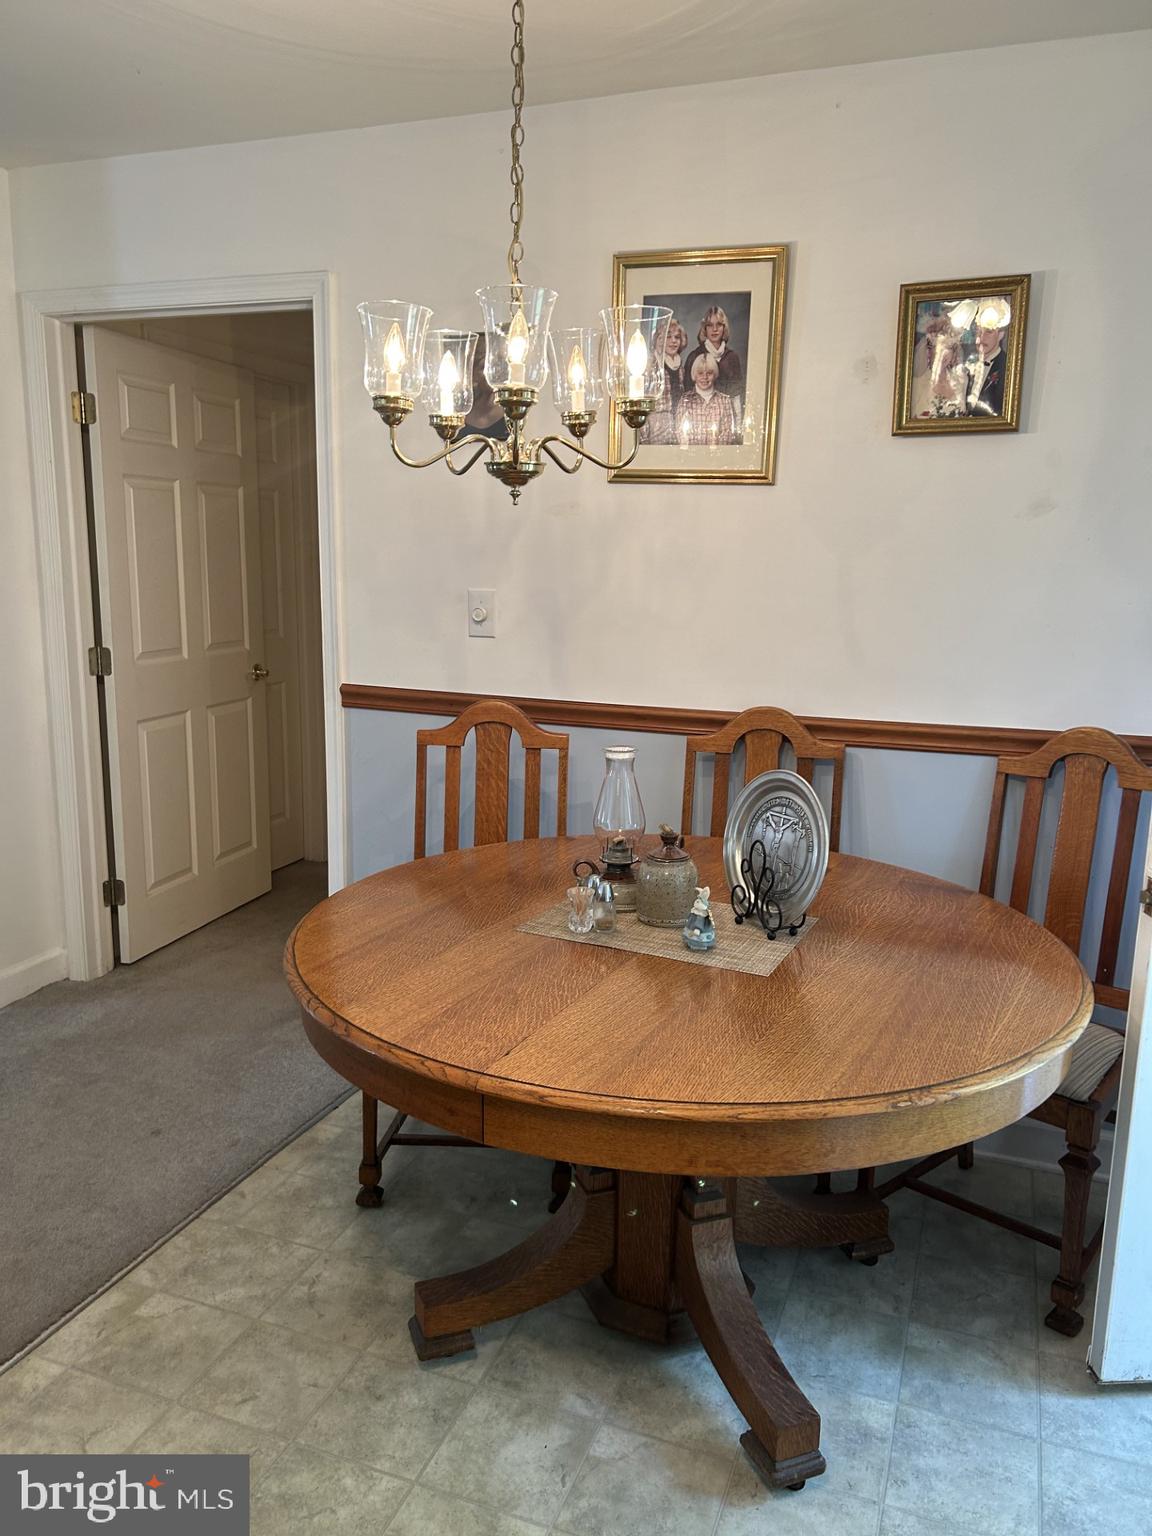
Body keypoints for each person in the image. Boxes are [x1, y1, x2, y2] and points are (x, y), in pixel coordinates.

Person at [683, 305, 744, 439]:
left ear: (724, 328)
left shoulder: (732, 357)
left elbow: (736, 397)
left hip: (726, 422)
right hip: (699, 423)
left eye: (719, 325)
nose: (714, 329)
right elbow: (687, 397)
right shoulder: (694, 356)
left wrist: (738, 429)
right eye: (710, 325)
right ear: (705, 329)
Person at [910, 313, 968, 419]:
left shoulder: (962, 380)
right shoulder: (917, 384)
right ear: (929, 352)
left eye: (948, 347)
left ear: (954, 352)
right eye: (938, 347)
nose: (943, 353)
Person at [642, 317, 689, 445]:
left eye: (677, 337)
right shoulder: (651, 366)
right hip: (657, 425)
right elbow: (643, 403)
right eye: (668, 337)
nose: (673, 341)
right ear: (659, 339)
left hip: (677, 424)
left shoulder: (681, 368)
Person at [674, 353, 738, 446]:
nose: (705, 377)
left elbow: (727, 433)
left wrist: (713, 454)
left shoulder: (725, 401)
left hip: (717, 456)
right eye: (700, 373)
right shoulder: (685, 400)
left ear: (715, 374)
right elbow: (680, 432)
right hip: (691, 455)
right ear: (694, 375)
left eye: (709, 373)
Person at [965, 322, 1008, 417]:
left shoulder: (1007, 367)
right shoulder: (966, 364)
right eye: (978, 331)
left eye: (989, 332)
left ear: (1001, 335)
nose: (982, 337)